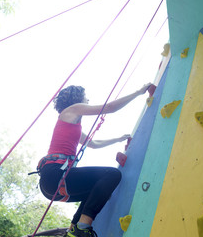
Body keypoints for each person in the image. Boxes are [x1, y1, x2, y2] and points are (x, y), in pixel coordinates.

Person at [37, 83, 153, 237]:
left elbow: (93, 144)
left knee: (94, 190)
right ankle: (83, 226)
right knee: (112, 175)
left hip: (51, 184)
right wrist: (138, 92)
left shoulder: (72, 123)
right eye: (85, 97)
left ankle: (73, 231)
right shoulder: (72, 109)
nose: (88, 99)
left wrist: (117, 139)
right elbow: (109, 107)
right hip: (55, 175)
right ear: (77, 98)